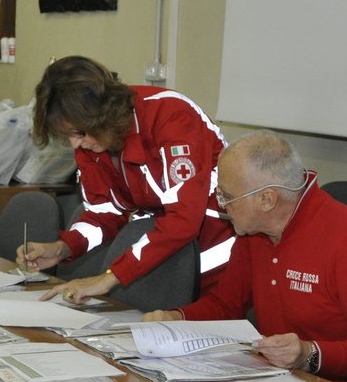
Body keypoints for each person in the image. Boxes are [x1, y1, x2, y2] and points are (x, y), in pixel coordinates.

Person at [144, 130, 347, 382]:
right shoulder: (254, 232)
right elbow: (225, 305)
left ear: (267, 200)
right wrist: (177, 318)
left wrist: (309, 354)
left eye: (227, 196)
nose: (221, 204)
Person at [18, 56, 233, 303]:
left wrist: (110, 277)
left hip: (217, 264)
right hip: (160, 261)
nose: (74, 144)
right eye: (67, 135)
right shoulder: (90, 142)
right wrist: (63, 247)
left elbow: (183, 220)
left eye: (78, 133)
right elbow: (103, 213)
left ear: (101, 115)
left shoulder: (171, 116)